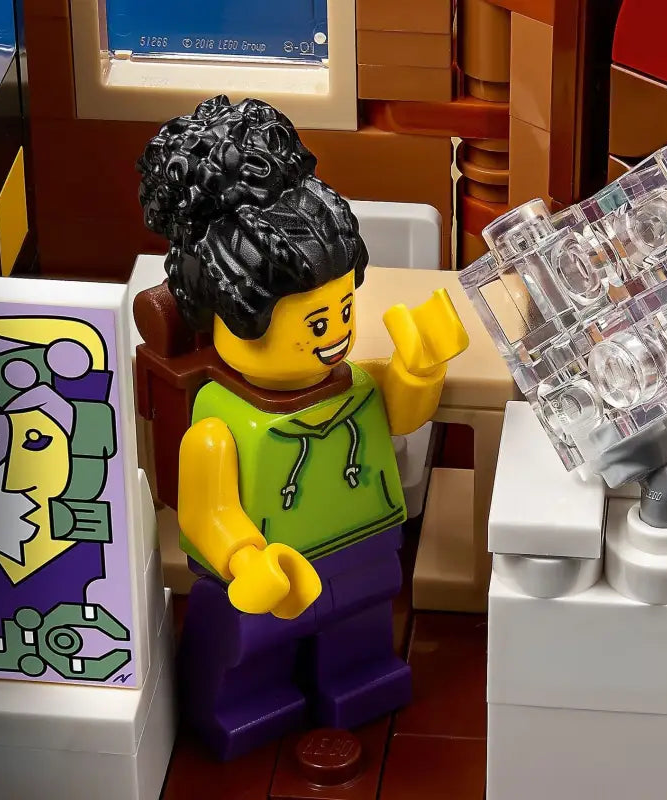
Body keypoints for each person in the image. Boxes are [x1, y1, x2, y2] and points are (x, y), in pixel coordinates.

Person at [136, 95, 468, 760]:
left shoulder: (355, 382)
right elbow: (208, 511)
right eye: (317, 322)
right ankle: (240, 703)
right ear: (235, 319)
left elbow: (400, 413)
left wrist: (421, 369)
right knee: (246, 648)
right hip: (270, 567)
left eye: (344, 310)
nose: (337, 334)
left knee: (360, 632)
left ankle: (355, 679)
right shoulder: (221, 422)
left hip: (363, 546)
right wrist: (244, 558)